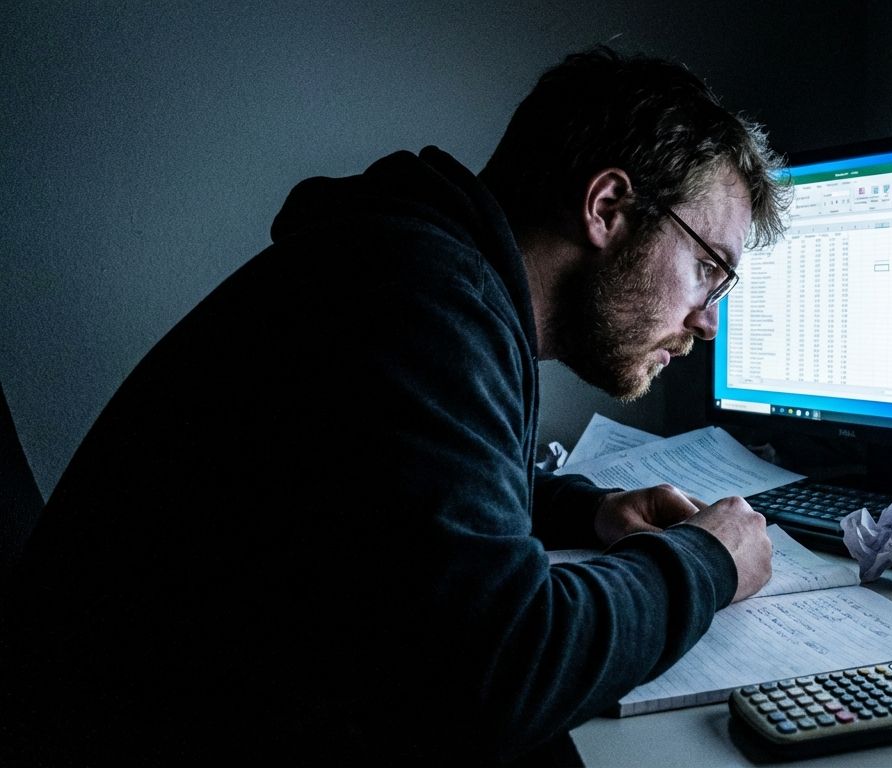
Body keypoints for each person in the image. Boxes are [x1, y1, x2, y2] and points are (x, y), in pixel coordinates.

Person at [1, 46, 786, 765]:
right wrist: (706, 561)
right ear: (608, 207)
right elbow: (503, 671)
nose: (709, 319)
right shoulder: (421, 303)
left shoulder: (417, 270)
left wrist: (588, 513)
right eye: (710, 267)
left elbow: (395, 501)